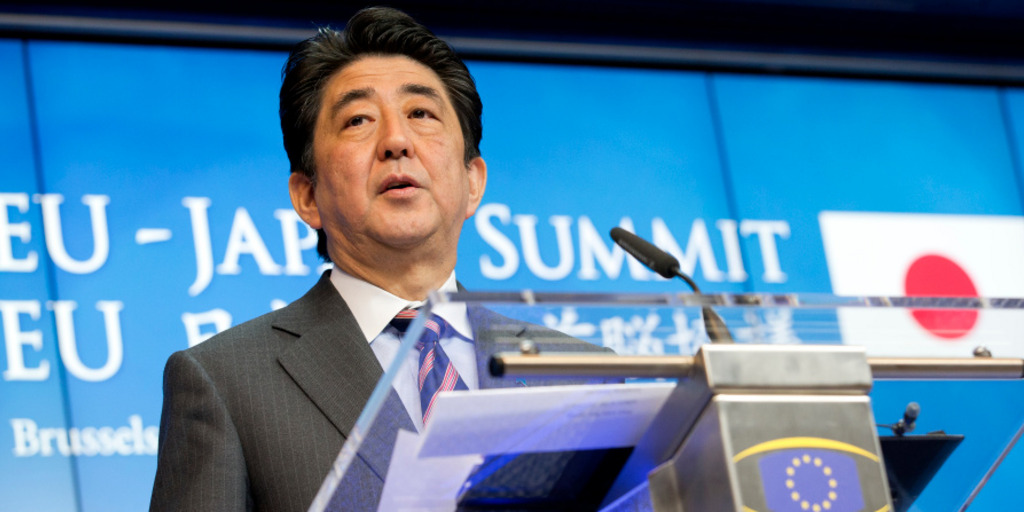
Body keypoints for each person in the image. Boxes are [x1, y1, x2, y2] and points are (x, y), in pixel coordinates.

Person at [150, 7, 611, 511]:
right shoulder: (226, 382)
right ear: (307, 196)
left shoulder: (581, 375)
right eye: (358, 120)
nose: (396, 142)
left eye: (421, 114)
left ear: (473, 181)